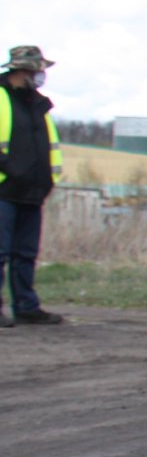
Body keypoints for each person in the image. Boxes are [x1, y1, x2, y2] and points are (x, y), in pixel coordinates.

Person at [1, 45, 66, 327]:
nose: (42, 75)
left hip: (33, 192)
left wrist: (49, 181)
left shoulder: (38, 104)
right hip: (3, 190)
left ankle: (26, 306)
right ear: (22, 70)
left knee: (25, 254)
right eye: (39, 69)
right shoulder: (2, 98)